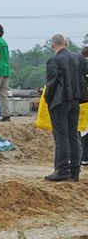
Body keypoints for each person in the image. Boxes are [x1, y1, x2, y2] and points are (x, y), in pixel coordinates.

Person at [43, 33, 88, 181]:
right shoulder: (80, 58)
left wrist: (48, 100)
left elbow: (51, 84)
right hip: (75, 101)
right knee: (73, 135)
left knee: (61, 136)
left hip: (59, 102)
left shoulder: (53, 60)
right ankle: (75, 171)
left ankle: (62, 170)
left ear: (52, 45)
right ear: (66, 43)